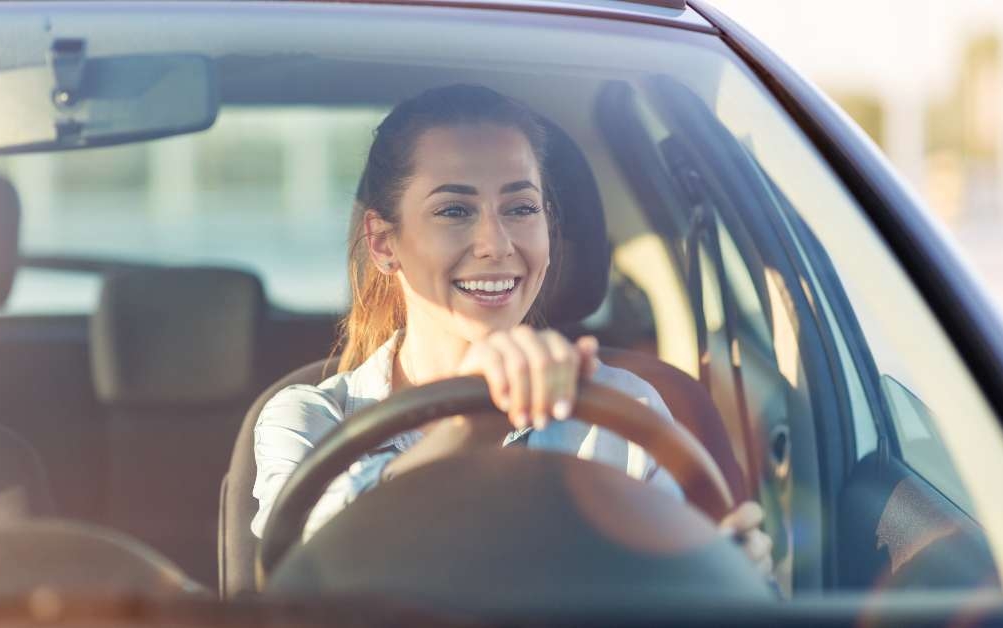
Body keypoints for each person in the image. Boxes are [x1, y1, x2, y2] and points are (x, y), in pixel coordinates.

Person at [250, 84, 772, 576]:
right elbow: (302, 581)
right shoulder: (308, 420)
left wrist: (728, 574)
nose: (495, 243)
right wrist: (466, 431)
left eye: (521, 208)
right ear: (384, 243)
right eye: (454, 210)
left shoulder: (623, 411)